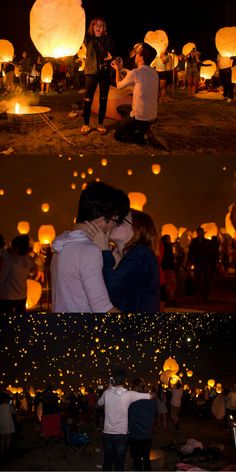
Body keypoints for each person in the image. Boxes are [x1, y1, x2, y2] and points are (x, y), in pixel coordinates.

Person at [50, 181, 130, 313]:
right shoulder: (88, 251)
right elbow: (103, 308)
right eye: (116, 221)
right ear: (101, 221)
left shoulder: (61, 244)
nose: (114, 227)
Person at [83, 208, 160, 313]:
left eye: (121, 221)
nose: (114, 223)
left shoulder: (142, 253)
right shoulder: (127, 256)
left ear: (138, 229)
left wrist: (104, 251)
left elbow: (109, 290)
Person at [98, 368, 156, 471]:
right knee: (120, 461)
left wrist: (109, 388)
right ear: (124, 380)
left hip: (107, 433)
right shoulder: (129, 394)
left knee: (108, 460)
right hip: (122, 434)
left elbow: (99, 403)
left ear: (113, 380)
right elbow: (150, 396)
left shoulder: (106, 393)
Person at [111, 42, 167, 148]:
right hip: (152, 115)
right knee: (121, 109)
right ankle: (141, 128)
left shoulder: (136, 72)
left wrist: (117, 70)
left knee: (118, 135)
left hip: (140, 116)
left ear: (141, 56)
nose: (135, 55)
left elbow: (119, 86)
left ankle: (142, 137)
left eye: (137, 53)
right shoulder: (154, 73)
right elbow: (136, 86)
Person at [80, 17, 115, 135]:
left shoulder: (108, 40)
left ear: (103, 27)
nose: (99, 27)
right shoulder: (88, 38)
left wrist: (112, 57)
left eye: (101, 25)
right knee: (88, 99)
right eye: (96, 25)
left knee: (103, 99)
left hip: (105, 73)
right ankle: (86, 123)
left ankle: (100, 123)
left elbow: (113, 55)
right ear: (93, 26)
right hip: (91, 72)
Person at [0, 235, 36, 313]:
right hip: (22, 296)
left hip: (8, 296)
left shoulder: (10, 262)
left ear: (16, 248)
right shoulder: (27, 261)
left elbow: (1, 278)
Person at [128, 378, 157, 471]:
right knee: (146, 459)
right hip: (147, 434)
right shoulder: (152, 400)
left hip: (135, 435)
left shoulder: (132, 402)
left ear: (135, 387)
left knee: (137, 460)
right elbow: (154, 415)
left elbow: (129, 417)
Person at [187, 226, 213, 301]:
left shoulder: (207, 242)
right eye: (199, 232)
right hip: (198, 262)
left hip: (206, 262)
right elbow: (190, 252)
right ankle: (199, 292)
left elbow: (211, 252)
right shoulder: (194, 242)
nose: (201, 233)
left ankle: (206, 294)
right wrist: (189, 261)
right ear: (197, 233)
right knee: (197, 278)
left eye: (202, 232)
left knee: (207, 278)